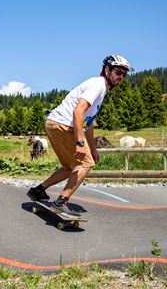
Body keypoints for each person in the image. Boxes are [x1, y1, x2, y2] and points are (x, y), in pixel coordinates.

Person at [27, 54, 134, 216]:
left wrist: (93, 149)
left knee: (70, 167)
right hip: (63, 125)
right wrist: (80, 143)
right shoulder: (97, 85)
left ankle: (38, 191)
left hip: (54, 123)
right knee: (85, 163)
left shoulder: (101, 90)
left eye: (124, 74)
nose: (122, 77)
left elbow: (88, 123)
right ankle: (61, 201)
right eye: (118, 72)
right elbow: (78, 112)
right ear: (107, 69)